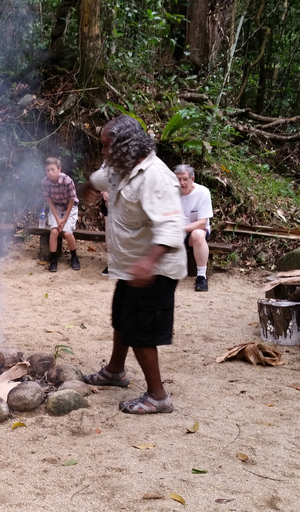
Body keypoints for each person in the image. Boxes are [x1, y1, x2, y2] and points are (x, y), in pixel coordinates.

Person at [83, 115, 186, 415]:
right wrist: (86, 186)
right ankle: (115, 372)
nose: (102, 152)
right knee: (121, 318)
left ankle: (158, 396)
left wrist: (148, 263)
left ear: (124, 145)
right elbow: (100, 178)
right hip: (132, 267)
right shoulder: (120, 167)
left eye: (106, 146)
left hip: (155, 270)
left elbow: (170, 228)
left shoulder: (158, 178)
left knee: (140, 330)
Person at [174, 164, 213, 292]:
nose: (182, 183)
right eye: (178, 179)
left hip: (194, 231)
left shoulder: (202, 192)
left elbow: (202, 222)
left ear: (192, 179)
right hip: (175, 231)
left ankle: (201, 276)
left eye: (185, 179)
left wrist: (182, 229)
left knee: (198, 234)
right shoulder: (169, 192)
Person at [42, 157, 80, 272]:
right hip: (56, 207)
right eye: (47, 170)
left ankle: (74, 257)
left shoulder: (67, 181)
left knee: (67, 233)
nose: (50, 173)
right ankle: (53, 259)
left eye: (52, 169)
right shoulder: (44, 182)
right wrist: (58, 219)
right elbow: (49, 201)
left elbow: (72, 200)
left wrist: (64, 220)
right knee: (54, 231)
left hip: (70, 207)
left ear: (59, 169)